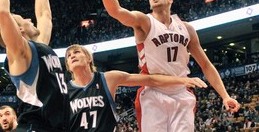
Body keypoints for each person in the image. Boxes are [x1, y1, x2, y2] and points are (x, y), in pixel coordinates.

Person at [92, 0, 241, 132]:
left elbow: (206, 65)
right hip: (153, 93)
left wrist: (225, 95)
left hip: (182, 92)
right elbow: (117, 11)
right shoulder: (144, 22)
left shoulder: (187, 29)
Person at [0, 0, 69, 132]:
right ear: (18, 31)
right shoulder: (20, 54)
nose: (28, 18)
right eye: (22, 19)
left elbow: (45, 16)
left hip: (56, 124)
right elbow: (2, 11)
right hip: (36, 125)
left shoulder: (39, 47)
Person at [65, 44, 208, 132]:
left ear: (89, 58)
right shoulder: (63, 91)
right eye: (69, 56)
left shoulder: (108, 78)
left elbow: (150, 79)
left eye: (77, 52)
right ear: (67, 66)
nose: (72, 56)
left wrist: (181, 80)